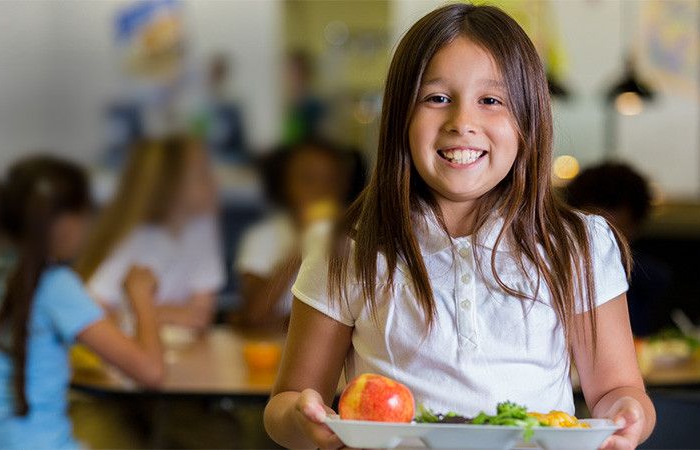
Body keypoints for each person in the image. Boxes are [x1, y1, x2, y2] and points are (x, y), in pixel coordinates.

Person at [263, 4, 656, 450]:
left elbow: (617, 391)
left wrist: (629, 415)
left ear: (528, 119)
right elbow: (286, 403)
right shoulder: (349, 247)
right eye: (437, 98)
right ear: (400, 118)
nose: (462, 123)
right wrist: (303, 418)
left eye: (490, 101)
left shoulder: (578, 245)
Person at [0, 156, 164, 449]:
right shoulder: (54, 284)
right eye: (88, 216)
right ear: (66, 223)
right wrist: (141, 297)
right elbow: (151, 373)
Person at [77, 135, 225, 333]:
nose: (215, 182)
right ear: (168, 185)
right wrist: (167, 313)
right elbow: (92, 313)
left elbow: (200, 315)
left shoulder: (201, 228)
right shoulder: (133, 237)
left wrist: (142, 312)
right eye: (202, 175)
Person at [233, 139, 366, 330]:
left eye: (331, 181)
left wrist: (282, 322)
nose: (320, 191)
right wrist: (305, 244)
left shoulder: (353, 240)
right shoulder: (263, 237)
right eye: (308, 179)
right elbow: (254, 316)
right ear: (286, 184)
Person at [565, 162, 670, 336]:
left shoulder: (650, 280)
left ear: (635, 226)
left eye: (613, 233)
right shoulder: (556, 275)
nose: (602, 243)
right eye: (593, 231)